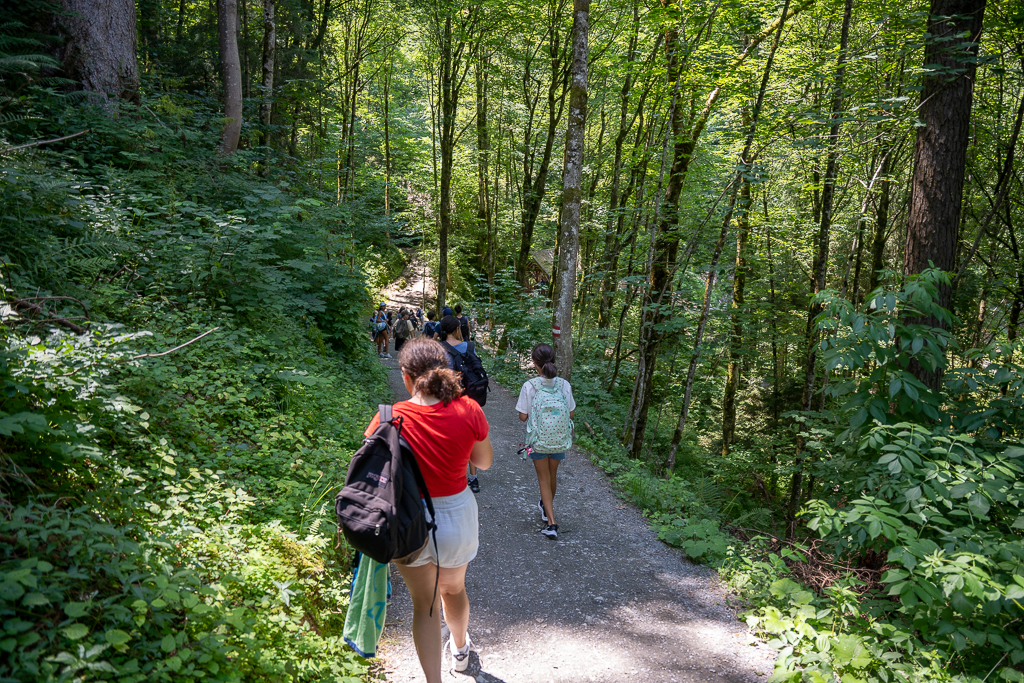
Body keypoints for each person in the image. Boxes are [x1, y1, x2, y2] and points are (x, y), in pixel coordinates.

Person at [363, 338, 493, 678]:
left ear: (406, 377)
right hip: (456, 515)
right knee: (454, 590)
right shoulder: (468, 409)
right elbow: (484, 462)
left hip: (407, 520)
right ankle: (461, 651)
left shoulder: (389, 417)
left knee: (425, 605)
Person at [516, 343, 575, 540]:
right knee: (552, 476)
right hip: (559, 438)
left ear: (535, 363)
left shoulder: (530, 385)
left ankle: (551, 523)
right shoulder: (564, 385)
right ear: (553, 361)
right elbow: (571, 413)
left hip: (537, 441)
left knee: (543, 479)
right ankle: (546, 507)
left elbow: (523, 417)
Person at [440, 315, 486, 493]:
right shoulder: (469, 347)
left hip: (449, 399)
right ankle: (473, 479)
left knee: (449, 437)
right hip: (470, 398)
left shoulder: (439, 349)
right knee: (471, 437)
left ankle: (452, 475)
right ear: (458, 329)